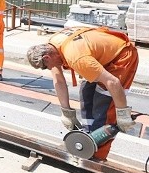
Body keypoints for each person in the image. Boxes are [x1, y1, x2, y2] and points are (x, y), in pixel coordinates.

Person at [26, 26, 139, 161]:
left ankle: (97, 156)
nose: (48, 69)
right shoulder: (53, 45)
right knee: (86, 93)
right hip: (99, 56)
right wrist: (66, 112)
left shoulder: (76, 58)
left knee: (104, 105)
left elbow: (113, 82)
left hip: (121, 56)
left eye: (46, 66)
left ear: (46, 57)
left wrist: (123, 114)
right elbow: (59, 81)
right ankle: (87, 136)